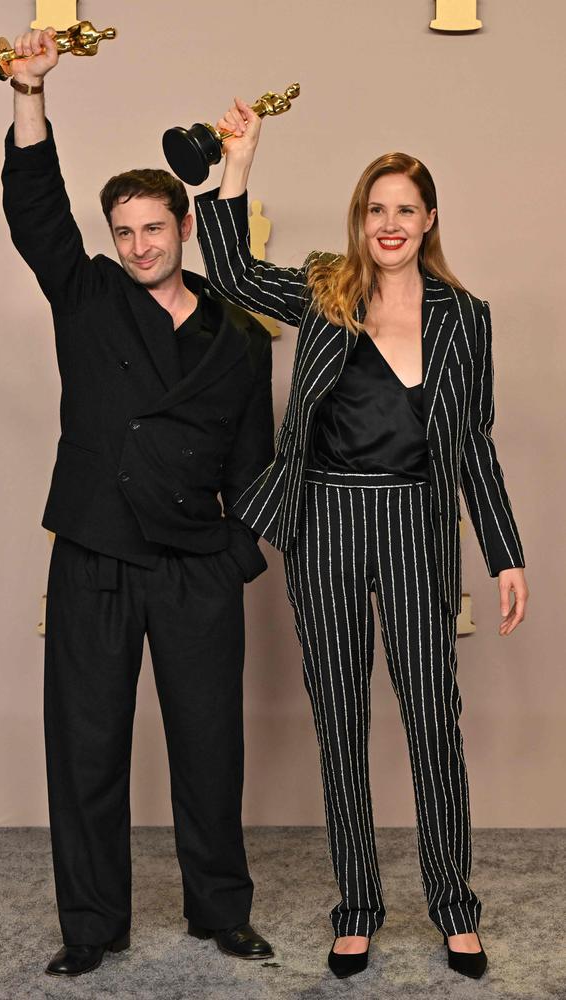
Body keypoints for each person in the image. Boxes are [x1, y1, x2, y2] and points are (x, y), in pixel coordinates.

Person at [195, 97, 528, 981]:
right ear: (360, 219)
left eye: (405, 209)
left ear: (428, 221)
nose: (390, 224)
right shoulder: (322, 287)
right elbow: (226, 269)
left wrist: (506, 552)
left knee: (432, 721)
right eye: (376, 209)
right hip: (327, 525)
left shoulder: (468, 316)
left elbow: (474, 443)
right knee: (340, 721)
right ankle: (357, 908)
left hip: (419, 528)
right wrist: (241, 158)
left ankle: (455, 907)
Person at [1, 36, 275, 977]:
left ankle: (220, 911)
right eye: (122, 231)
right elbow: (36, 212)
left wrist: (237, 551)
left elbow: (257, 466)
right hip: (96, 551)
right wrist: (28, 94)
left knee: (209, 746)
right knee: (85, 749)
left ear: (184, 228)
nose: (137, 245)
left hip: (196, 563)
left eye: (152, 228)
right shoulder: (85, 299)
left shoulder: (241, 334)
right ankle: (90, 926)